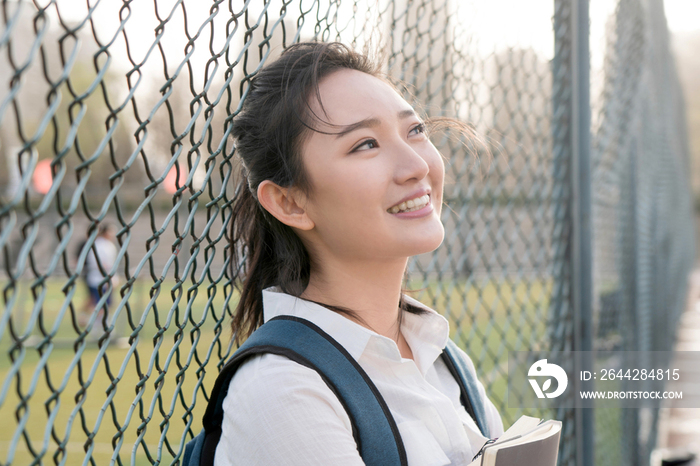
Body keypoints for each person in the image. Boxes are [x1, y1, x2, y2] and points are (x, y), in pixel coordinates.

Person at [216, 41, 504, 465]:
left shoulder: (444, 360)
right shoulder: (285, 390)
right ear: (289, 202)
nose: (417, 166)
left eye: (415, 131)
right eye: (365, 144)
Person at [81, 223, 118, 339]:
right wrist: (110, 277)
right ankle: (99, 329)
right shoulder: (100, 245)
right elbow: (101, 263)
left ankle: (100, 329)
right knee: (101, 305)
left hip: (102, 279)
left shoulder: (107, 245)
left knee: (105, 305)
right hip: (99, 280)